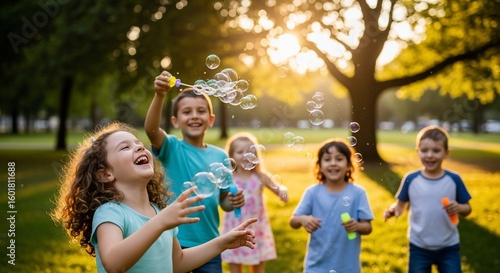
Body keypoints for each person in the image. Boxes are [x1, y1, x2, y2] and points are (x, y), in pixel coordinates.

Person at [51, 122, 257, 273]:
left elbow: (178, 262)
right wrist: (160, 222)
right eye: (125, 147)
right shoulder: (111, 212)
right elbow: (114, 263)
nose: (139, 147)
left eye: (138, 144)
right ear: (105, 174)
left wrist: (222, 243)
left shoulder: (158, 212)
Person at [144, 71, 245, 273]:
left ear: (211, 119)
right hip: (173, 241)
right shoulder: (171, 147)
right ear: (175, 121)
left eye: (201, 111)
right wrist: (160, 95)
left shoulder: (220, 156)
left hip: (209, 244)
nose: (195, 116)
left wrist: (231, 201)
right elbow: (151, 130)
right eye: (187, 112)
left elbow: (223, 200)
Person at [384, 125, 472, 273]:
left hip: (449, 246)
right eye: (424, 150)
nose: (429, 155)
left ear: (446, 153)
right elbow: (400, 205)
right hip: (419, 247)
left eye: (436, 150)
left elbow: (468, 209)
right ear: (418, 152)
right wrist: (394, 210)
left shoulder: (454, 179)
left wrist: (459, 207)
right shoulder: (410, 179)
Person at [290, 138, 373, 273]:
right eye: (327, 159)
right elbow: (293, 221)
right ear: (320, 165)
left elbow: (368, 227)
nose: (333, 163)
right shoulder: (312, 192)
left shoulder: (358, 193)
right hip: (316, 266)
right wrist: (302, 219)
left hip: (347, 267)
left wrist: (357, 226)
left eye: (339, 159)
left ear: (348, 165)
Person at [221, 132, 288, 273]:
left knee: (258, 266)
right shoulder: (229, 178)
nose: (246, 155)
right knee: (235, 263)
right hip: (235, 227)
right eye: (240, 152)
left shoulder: (260, 176)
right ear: (231, 156)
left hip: (257, 229)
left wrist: (282, 191)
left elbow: (278, 188)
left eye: (250, 151)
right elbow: (222, 200)